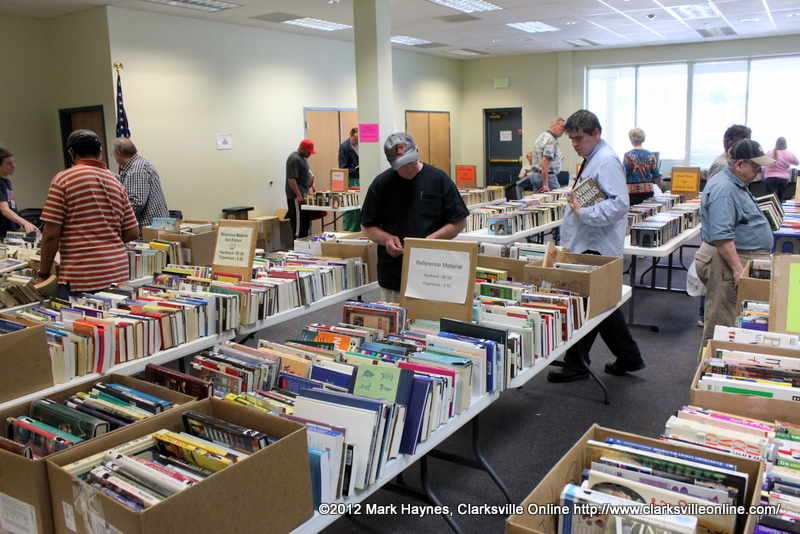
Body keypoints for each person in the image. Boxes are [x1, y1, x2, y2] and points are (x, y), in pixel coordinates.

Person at [547, 110, 644, 383]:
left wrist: (583, 213)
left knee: (590, 303)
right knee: (599, 304)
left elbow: (619, 204)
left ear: (596, 134)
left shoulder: (606, 161)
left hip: (596, 246)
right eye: (572, 139)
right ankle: (626, 357)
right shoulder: (595, 157)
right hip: (590, 243)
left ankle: (579, 362)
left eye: (579, 138)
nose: (575, 144)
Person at [360, 132, 470, 302]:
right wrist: (386, 239)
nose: (408, 168)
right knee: (395, 323)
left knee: (430, 323)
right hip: (393, 272)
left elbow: (459, 221)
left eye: (411, 161)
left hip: (435, 271)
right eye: (401, 165)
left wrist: (430, 241)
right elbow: (367, 226)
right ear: (390, 163)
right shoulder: (381, 184)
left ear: (417, 151)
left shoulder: (439, 179)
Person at [695, 139, 775, 355]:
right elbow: (722, 237)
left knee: (732, 321)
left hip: (733, 261)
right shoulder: (724, 189)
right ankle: (710, 378)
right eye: (756, 167)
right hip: (728, 264)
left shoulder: (735, 183)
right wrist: (739, 269)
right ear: (740, 165)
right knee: (723, 324)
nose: (759, 172)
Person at [38, 130, 139, 298]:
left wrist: (43, 274)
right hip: (118, 272)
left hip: (82, 275)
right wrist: (105, 242)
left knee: (78, 322)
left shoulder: (63, 180)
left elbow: (50, 234)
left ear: (71, 153)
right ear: (100, 151)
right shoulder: (116, 182)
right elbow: (132, 232)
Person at [698, 124, 751, 328]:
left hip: (721, 238)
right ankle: (703, 313)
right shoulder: (723, 167)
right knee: (717, 295)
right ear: (731, 144)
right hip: (717, 243)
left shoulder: (727, 165)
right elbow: (717, 204)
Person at [112, 137, 169, 230]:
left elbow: (137, 202)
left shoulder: (136, 170)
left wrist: (116, 218)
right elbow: (126, 181)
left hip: (148, 228)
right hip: (156, 225)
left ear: (118, 154)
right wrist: (105, 173)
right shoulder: (139, 164)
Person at [0, 148, 38, 238]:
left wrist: (18, 223)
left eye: (13, 162)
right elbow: (4, 209)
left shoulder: (7, 182)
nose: (14, 166)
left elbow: (11, 207)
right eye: (9, 163)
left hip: (11, 230)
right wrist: (25, 223)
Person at [285, 139, 316, 239]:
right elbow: (291, 178)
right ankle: (297, 244)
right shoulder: (294, 159)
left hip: (304, 194)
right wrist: (298, 195)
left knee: (304, 223)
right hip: (296, 197)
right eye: (308, 152)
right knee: (298, 225)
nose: (309, 154)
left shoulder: (302, 158)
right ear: (301, 148)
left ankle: (304, 244)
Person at [622, 128, 660, 205]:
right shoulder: (650, 155)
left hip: (632, 192)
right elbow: (656, 174)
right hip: (648, 191)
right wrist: (648, 183)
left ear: (631, 139)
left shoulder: (628, 155)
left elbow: (625, 174)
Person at [529, 117, 565, 193]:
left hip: (535, 175)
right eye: (562, 127)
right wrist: (545, 184)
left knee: (537, 202)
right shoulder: (551, 140)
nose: (563, 130)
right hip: (547, 177)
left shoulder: (542, 136)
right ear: (555, 125)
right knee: (557, 199)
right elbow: (545, 162)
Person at [338, 127, 361, 232]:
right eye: (356, 138)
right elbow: (343, 167)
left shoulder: (362, 146)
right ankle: (349, 231)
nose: (357, 141)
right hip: (350, 179)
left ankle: (360, 231)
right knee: (351, 209)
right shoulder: (345, 147)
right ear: (351, 136)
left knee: (360, 208)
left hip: (361, 179)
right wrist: (355, 172)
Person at [764, 137, 799, 202]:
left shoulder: (769, 152)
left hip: (770, 177)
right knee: (780, 199)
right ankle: (780, 211)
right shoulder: (789, 153)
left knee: (772, 200)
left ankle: (773, 212)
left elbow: (763, 163)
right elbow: (797, 163)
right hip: (783, 178)